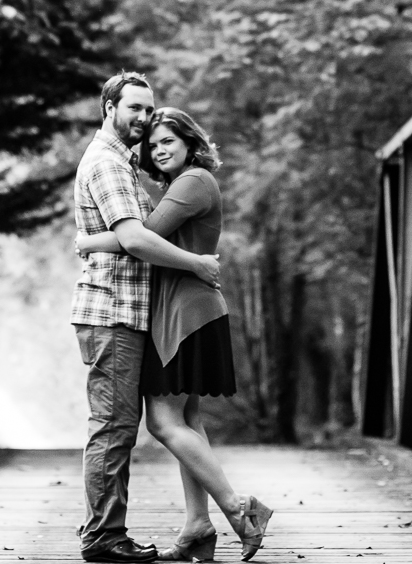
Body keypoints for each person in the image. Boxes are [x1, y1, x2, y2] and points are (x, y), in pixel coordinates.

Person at [77, 107, 273, 562]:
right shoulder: (177, 186)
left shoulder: (194, 182)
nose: (160, 149)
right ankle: (197, 527)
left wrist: (87, 240)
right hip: (184, 309)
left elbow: (141, 236)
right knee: (188, 421)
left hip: (186, 312)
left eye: (169, 140)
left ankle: (240, 511)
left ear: (190, 142)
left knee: (163, 423)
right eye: (154, 144)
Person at [71, 73, 224, 564]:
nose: (141, 118)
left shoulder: (126, 165)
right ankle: (104, 536)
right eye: (134, 108)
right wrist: (198, 263)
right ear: (109, 106)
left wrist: (90, 241)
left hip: (139, 314)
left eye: (149, 110)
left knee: (141, 423)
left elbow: (142, 235)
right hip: (112, 311)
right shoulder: (110, 165)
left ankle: (191, 525)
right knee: (114, 427)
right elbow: (138, 239)